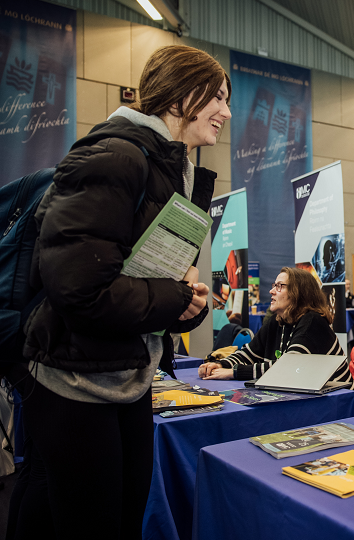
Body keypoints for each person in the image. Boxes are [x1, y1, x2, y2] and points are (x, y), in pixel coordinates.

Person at [9, 45, 229, 539]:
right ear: (181, 95)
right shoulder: (113, 157)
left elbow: (151, 282)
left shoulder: (177, 169)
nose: (226, 112)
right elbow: (82, 291)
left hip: (126, 380)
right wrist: (173, 298)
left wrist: (185, 306)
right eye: (216, 96)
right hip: (75, 386)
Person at [198, 267, 353, 387]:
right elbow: (250, 354)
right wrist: (221, 364)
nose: (271, 291)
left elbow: (287, 366)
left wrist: (233, 372)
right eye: (274, 285)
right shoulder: (277, 320)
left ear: (298, 293)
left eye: (280, 286)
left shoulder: (313, 322)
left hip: (337, 400)